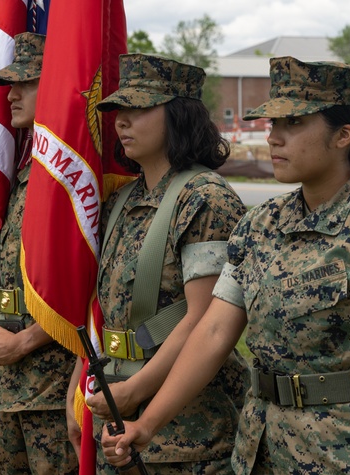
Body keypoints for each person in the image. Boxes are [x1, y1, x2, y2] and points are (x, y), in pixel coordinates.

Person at [102, 56, 350, 474]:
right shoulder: (260, 225)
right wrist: (147, 424)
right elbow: (216, 331)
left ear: (343, 135)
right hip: (263, 448)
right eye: (273, 125)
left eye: (293, 124)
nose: (274, 138)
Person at [78, 53, 248, 474]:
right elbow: (103, 310)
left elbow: (204, 316)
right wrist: (81, 387)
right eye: (120, 110)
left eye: (139, 109)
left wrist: (135, 392)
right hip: (119, 409)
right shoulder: (123, 200)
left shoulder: (204, 198)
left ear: (178, 115)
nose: (121, 121)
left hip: (187, 431)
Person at [0, 32, 80, 474]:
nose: (11, 94)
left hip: (50, 382)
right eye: (9, 83)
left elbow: (83, 284)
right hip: (10, 381)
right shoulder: (28, 171)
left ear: (56, 87)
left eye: (26, 83)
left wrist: (25, 341)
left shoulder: (69, 178)